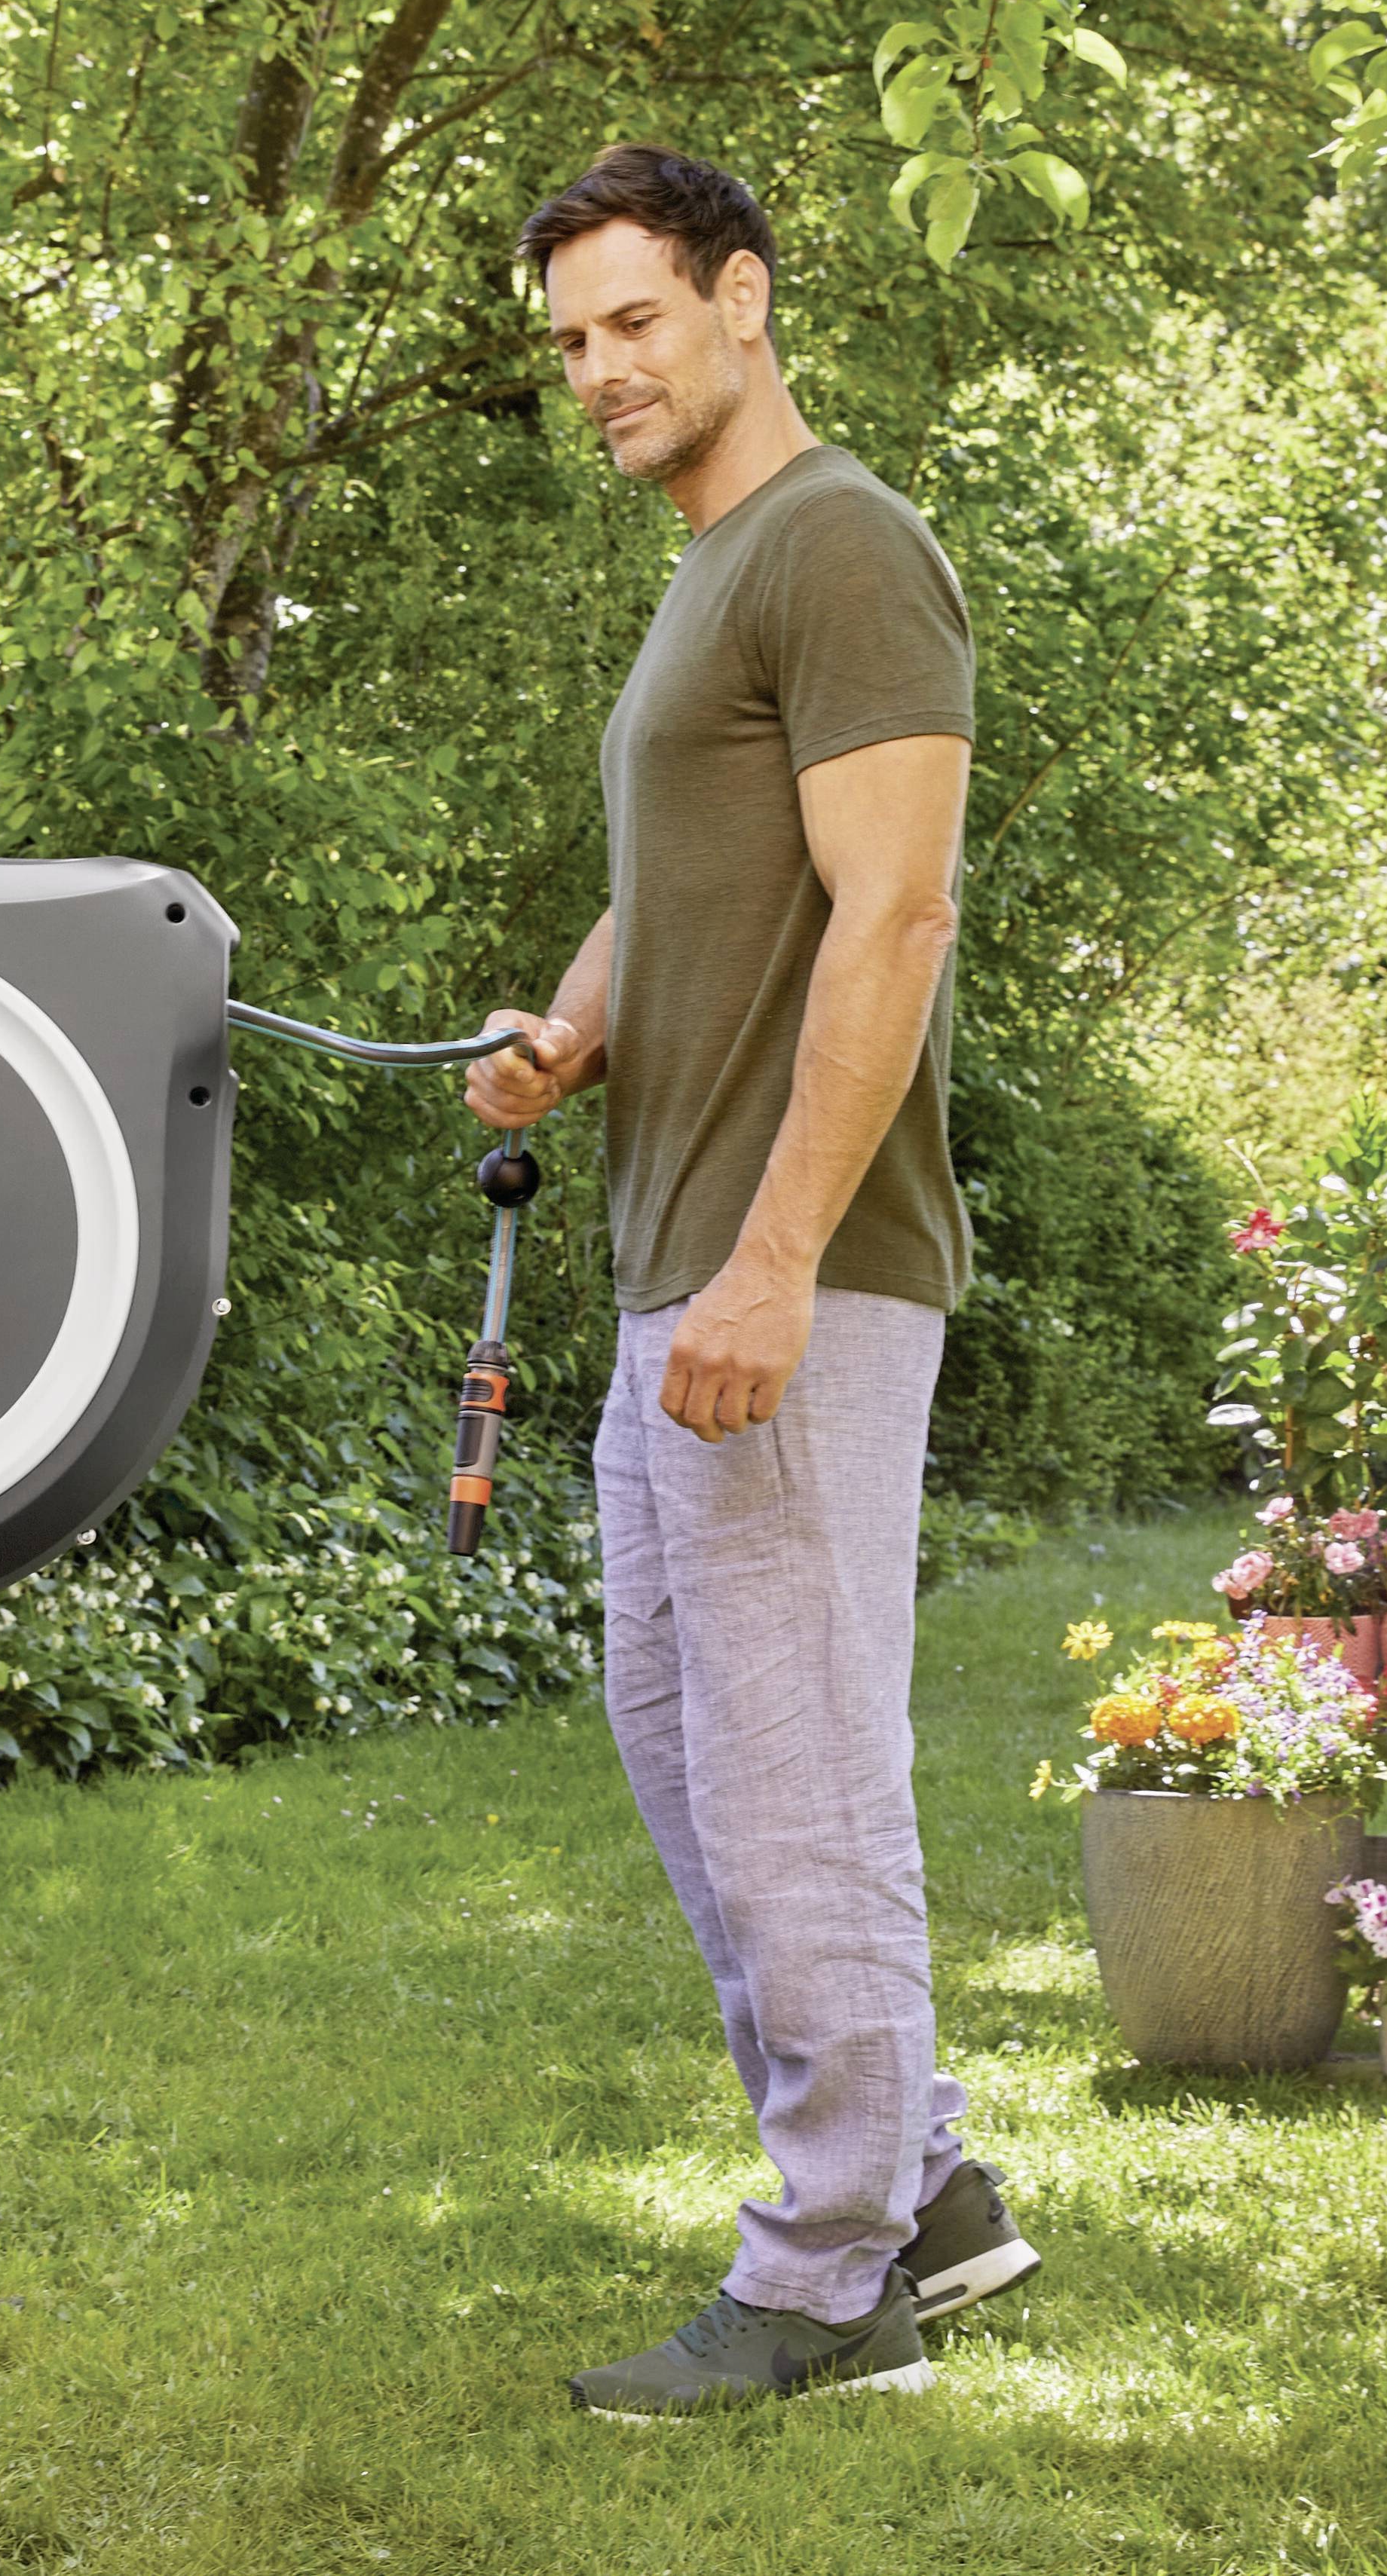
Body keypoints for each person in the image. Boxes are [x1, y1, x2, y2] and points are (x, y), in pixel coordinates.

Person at [469, 144, 1037, 2418]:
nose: (600, 370)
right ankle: (929, 2184)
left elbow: (893, 915)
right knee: (695, 1745)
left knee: (796, 1768)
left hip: (783, 1266)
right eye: (572, 341)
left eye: (632, 321)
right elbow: (711, 874)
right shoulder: (717, 574)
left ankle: (826, 2281)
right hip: (670, 1255)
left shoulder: (843, 547)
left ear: (741, 300)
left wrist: (780, 1258)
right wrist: (582, 1017)